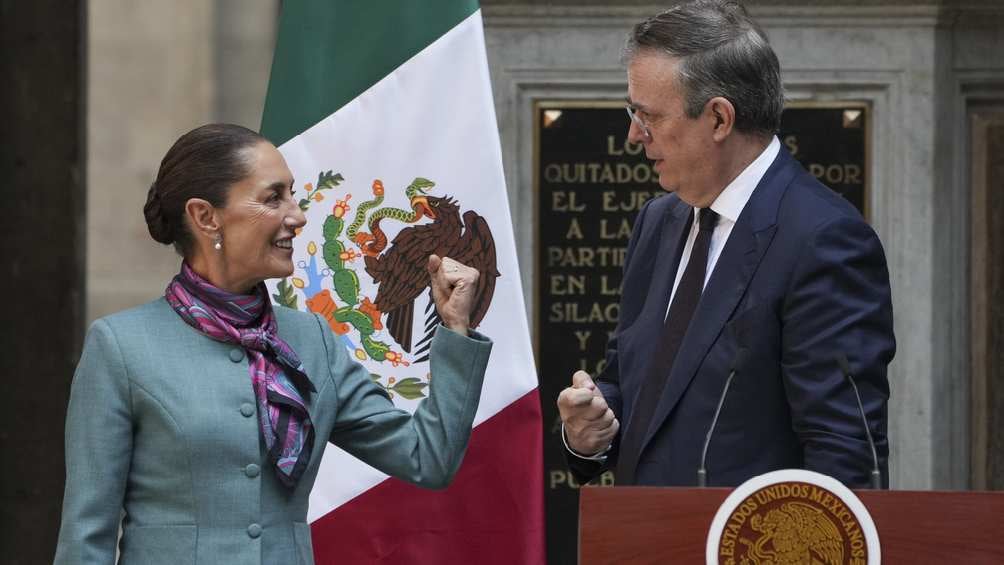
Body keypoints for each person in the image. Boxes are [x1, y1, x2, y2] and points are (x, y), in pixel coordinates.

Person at [53, 123, 492, 564]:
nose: (297, 215)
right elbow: (86, 537)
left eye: (293, 195)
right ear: (206, 216)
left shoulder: (313, 339)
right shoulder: (120, 347)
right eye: (273, 197)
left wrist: (454, 328)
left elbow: (427, 458)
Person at [557, 0, 895, 488]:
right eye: (633, 112)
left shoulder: (823, 240)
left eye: (647, 115)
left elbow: (844, 452)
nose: (634, 135)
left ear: (718, 119)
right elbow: (633, 383)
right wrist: (592, 430)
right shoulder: (659, 220)